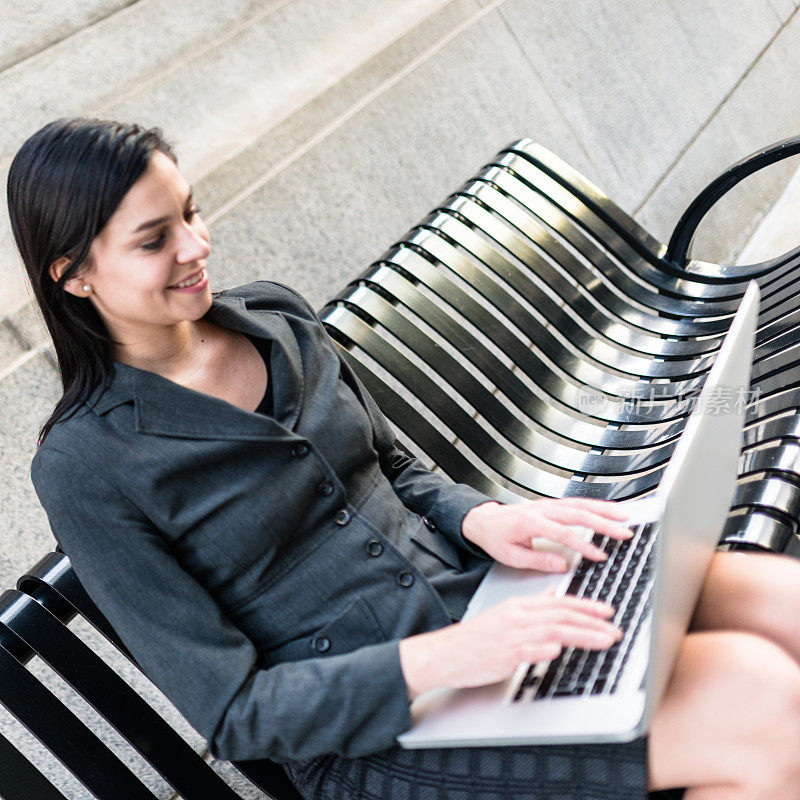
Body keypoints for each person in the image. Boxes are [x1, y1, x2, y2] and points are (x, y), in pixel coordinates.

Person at [9, 117, 800, 800]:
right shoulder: (88, 465)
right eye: (154, 240)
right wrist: (448, 656)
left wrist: (488, 518)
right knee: (758, 700)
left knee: (780, 603)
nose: (195, 245)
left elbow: (396, 470)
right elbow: (235, 714)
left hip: (483, 598)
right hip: (382, 738)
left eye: (190, 212)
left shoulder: (276, 319)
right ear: (73, 275)